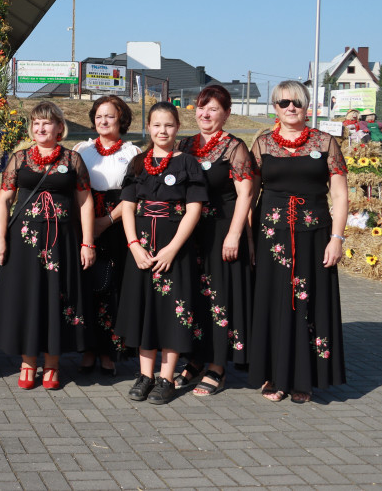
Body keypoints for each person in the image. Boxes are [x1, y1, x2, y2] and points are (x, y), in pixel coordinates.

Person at [249, 80, 348, 404]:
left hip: (315, 236)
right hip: (271, 238)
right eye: (283, 102)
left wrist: (336, 239)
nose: (291, 108)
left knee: (309, 304)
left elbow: (340, 194)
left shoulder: (326, 142)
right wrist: (245, 235)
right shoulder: (263, 144)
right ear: (275, 107)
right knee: (274, 304)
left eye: (297, 102)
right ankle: (276, 378)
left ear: (307, 106)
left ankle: (305, 379)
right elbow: (248, 194)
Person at [0, 102, 95, 390]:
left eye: (47, 123)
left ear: (60, 127)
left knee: (58, 297)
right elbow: (4, 199)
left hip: (62, 241)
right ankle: (28, 361)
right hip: (24, 241)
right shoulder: (19, 158)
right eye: (36, 123)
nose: (41, 128)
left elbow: (85, 202)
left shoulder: (73, 160)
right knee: (27, 296)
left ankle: (53, 363)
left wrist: (87, 243)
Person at [116, 102, 207, 405]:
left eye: (168, 125)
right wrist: (133, 245)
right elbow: (127, 206)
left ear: (178, 127)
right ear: (149, 127)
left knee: (173, 312)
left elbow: (194, 209)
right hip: (141, 246)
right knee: (145, 310)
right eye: (156, 125)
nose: (162, 131)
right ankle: (146, 375)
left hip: (174, 249)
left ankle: (166, 378)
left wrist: (172, 248)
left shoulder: (188, 164)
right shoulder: (138, 162)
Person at [174, 85, 258, 395]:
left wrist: (235, 234)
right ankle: (196, 359)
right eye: (201, 107)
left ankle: (217, 367)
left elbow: (246, 193)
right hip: (190, 233)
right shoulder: (185, 145)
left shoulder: (234, 147)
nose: (205, 114)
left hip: (221, 231)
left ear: (226, 114)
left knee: (220, 298)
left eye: (213, 109)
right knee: (194, 296)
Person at [73, 95, 141, 377]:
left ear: (121, 119)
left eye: (110, 116)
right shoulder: (81, 150)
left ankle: (110, 352)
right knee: (88, 286)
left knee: (113, 288)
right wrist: (92, 225)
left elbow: (134, 195)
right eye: (99, 116)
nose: (103, 121)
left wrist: (107, 220)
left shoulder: (133, 152)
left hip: (118, 224)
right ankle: (88, 349)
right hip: (86, 224)